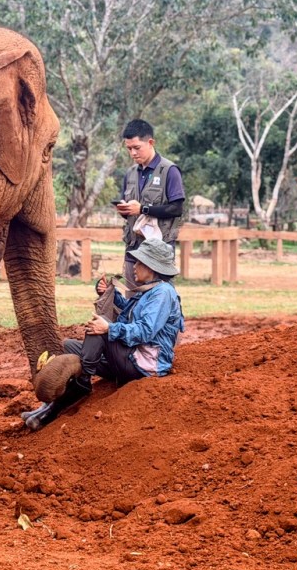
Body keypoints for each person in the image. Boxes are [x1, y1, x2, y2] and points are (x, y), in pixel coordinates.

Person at [25, 238, 185, 431]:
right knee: (68, 346)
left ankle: (79, 388)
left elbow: (144, 331)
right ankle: (49, 406)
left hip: (144, 364)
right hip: (130, 356)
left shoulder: (163, 293)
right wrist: (110, 293)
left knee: (99, 329)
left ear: (152, 266)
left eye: (139, 262)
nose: (134, 266)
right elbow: (130, 313)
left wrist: (108, 328)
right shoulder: (149, 291)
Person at [114, 119, 185, 284]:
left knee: (160, 296)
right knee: (132, 298)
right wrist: (126, 211)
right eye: (129, 149)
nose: (133, 153)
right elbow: (132, 215)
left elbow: (177, 209)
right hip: (134, 248)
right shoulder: (130, 173)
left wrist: (143, 209)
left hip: (159, 249)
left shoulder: (169, 170)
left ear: (151, 142)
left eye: (137, 148)